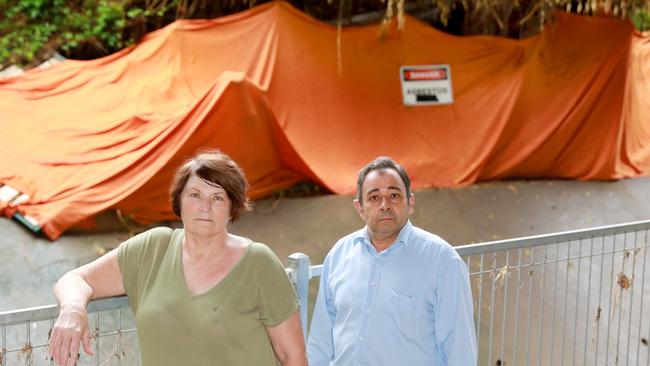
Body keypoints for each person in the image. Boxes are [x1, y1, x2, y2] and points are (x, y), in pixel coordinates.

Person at [48, 149, 307, 366]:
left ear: (232, 208)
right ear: (179, 201)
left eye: (218, 197)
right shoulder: (152, 249)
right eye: (195, 195)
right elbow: (76, 279)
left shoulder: (258, 262)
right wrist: (73, 309)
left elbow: (292, 356)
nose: (205, 206)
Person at [307, 156, 477, 366]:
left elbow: (460, 350)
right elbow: (320, 342)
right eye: (374, 197)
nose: (385, 205)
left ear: (410, 202)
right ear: (359, 207)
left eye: (394, 195)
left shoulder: (443, 261)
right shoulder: (339, 255)